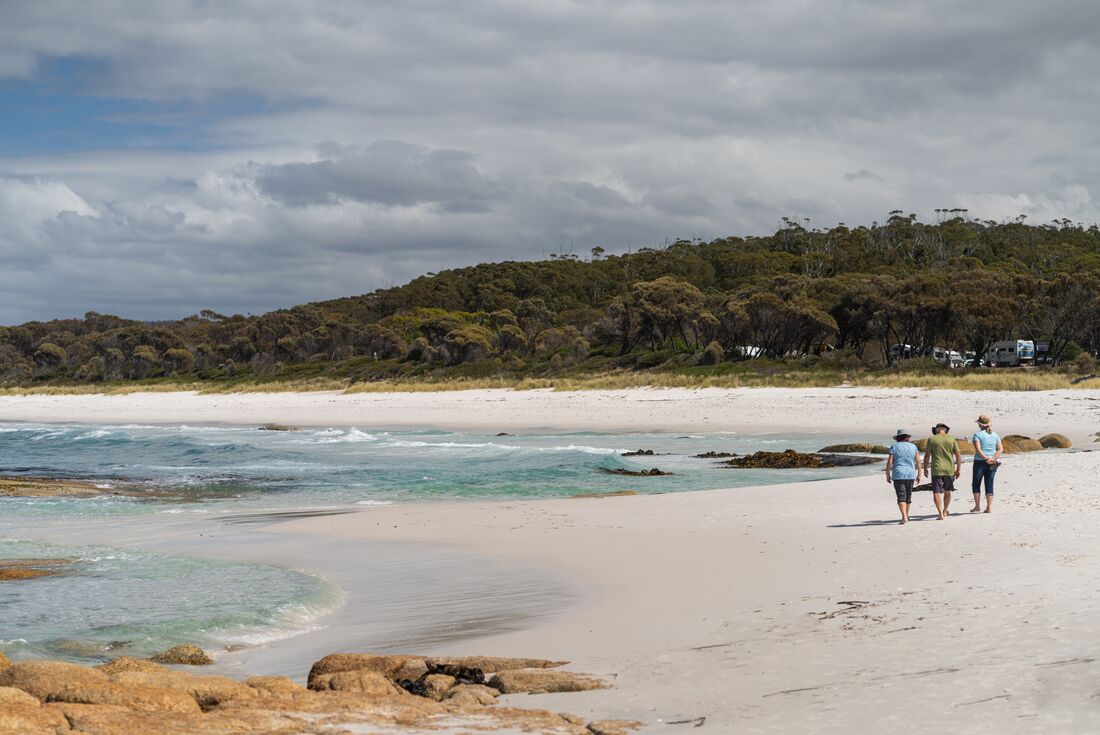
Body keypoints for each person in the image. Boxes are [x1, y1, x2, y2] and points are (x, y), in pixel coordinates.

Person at [922, 422, 962, 520]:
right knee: (947, 491)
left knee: (936, 492)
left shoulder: (932, 439)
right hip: (949, 469)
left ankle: (940, 514)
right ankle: (945, 511)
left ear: (937, 429)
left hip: (936, 469)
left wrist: (925, 468)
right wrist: (958, 469)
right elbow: (958, 455)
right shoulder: (952, 439)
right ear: (945, 430)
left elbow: (927, 455)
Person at [885, 429, 922, 524]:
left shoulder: (894, 447)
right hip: (910, 474)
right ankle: (907, 515)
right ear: (907, 438)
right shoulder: (913, 447)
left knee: (901, 495)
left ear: (897, 438)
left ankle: (904, 516)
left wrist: (888, 474)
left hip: (898, 474)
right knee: (908, 496)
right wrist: (919, 474)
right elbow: (918, 461)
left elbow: (890, 462)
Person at [971, 414, 1002, 513]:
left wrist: (986, 458)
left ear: (980, 424)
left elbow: (978, 449)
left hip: (980, 462)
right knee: (989, 483)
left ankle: (977, 506)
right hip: (992, 462)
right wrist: (992, 458)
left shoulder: (977, 435)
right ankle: (989, 507)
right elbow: (1000, 449)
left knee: (976, 484)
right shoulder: (995, 435)